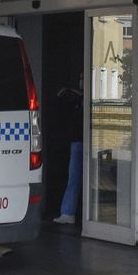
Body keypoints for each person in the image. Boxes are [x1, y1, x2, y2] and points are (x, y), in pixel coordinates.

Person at [54, 74, 84, 226]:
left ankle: (68, 212)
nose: (81, 82)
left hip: (79, 143)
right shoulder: (78, 99)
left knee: (74, 177)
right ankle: (69, 212)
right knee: (75, 178)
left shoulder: (81, 99)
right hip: (78, 142)